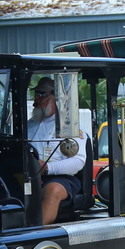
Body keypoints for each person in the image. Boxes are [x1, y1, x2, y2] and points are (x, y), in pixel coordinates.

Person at [27, 76, 87, 225]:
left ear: (56, 97)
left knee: (53, 190)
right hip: (29, 176)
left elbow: (78, 161)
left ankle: (37, 234)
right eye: (35, 94)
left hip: (60, 178)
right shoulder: (28, 126)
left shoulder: (69, 127)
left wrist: (47, 168)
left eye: (42, 94)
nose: (36, 98)